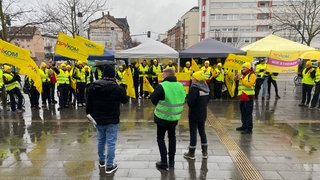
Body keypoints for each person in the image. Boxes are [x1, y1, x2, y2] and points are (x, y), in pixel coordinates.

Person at [86, 64, 129, 175]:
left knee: (101, 140)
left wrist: (90, 115)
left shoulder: (93, 86)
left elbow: (88, 104)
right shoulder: (117, 87)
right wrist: (121, 87)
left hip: (98, 119)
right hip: (112, 120)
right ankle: (109, 165)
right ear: (113, 75)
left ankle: (101, 161)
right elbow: (125, 100)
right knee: (111, 142)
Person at [150, 67, 186, 170]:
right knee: (172, 137)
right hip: (174, 117)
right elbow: (183, 97)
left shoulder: (162, 86)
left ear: (167, 75)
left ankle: (164, 162)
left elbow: (153, 99)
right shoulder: (180, 85)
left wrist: (161, 104)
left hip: (162, 117)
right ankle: (172, 162)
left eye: (163, 74)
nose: (162, 76)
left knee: (160, 138)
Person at [184, 71, 210, 160]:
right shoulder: (206, 88)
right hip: (203, 113)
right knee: (202, 131)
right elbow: (207, 100)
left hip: (194, 114)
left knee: (193, 132)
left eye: (193, 77)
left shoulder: (194, 88)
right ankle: (205, 152)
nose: (191, 79)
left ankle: (191, 153)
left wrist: (187, 101)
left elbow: (191, 102)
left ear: (197, 79)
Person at [234, 62, 256, 134]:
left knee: (248, 113)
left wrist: (240, 78)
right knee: (243, 112)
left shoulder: (252, 75)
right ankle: (244, 125)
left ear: (249, 68)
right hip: (242, 96)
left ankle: (249, 128)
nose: (243, 68)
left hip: (248, 96)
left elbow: (249, 85)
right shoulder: (242, 75)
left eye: (244, 67)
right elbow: (239, 83)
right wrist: (235, 78)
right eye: (242, 67)